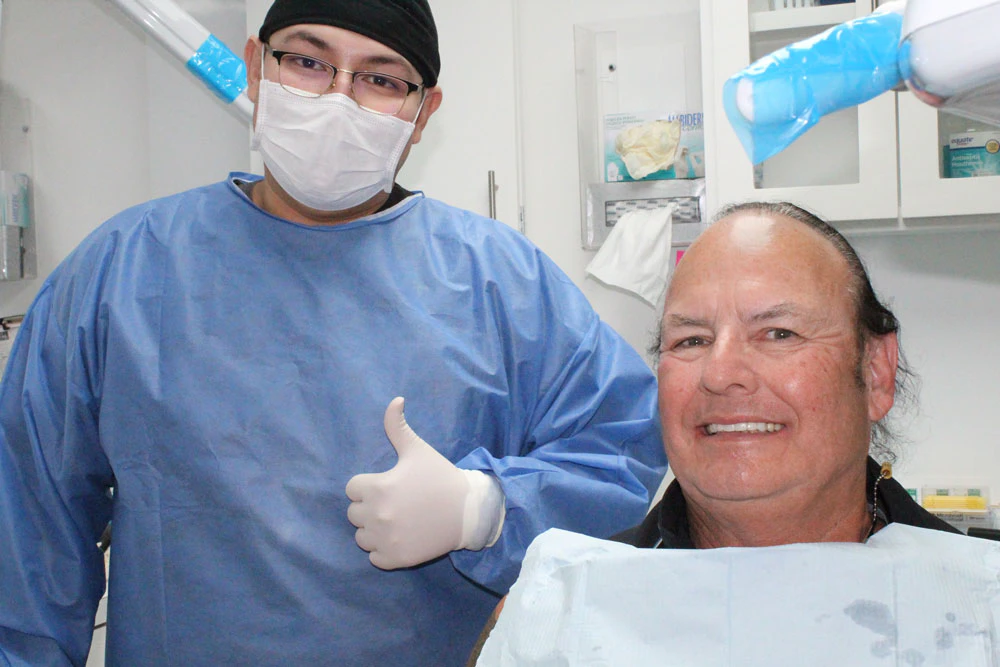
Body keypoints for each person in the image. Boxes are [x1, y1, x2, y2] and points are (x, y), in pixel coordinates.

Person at [0, 1, 668, 665]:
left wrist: (486, 508)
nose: (338, 100)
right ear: (257, 67)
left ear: (423, 112)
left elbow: (626, 444)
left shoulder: (501, 283)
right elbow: (29, 531)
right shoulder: (121, 272)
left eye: (381, 78)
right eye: (309, 62)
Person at [468, 201, 959, 665]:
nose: (720, 373)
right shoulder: (564, 618)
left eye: (779, 333)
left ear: (875, 371)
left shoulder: (975, 601)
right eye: (692, 340)